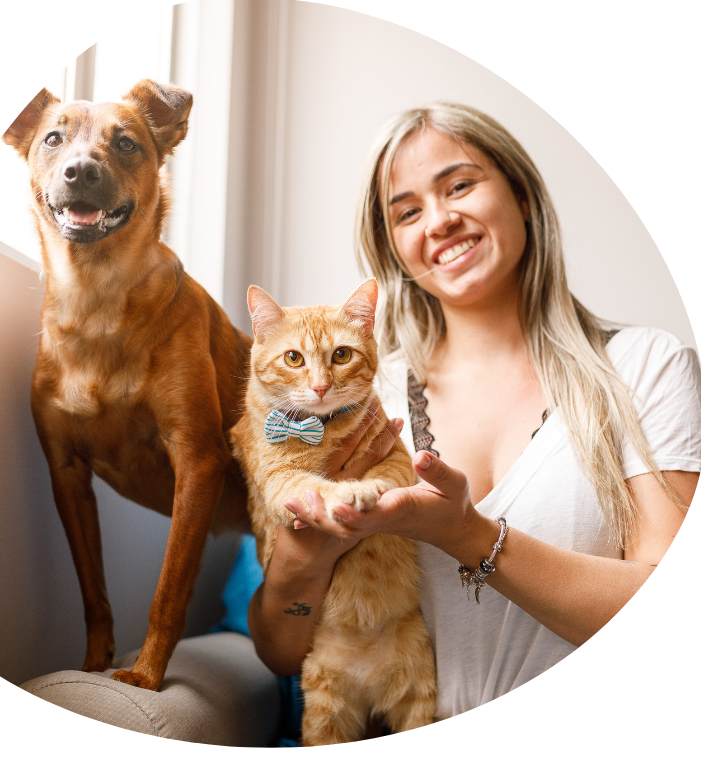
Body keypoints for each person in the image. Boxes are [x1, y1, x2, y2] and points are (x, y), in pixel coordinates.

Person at [246, 102, 700, 723]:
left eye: (459, 185)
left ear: (521, 193)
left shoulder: (646, 366)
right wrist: (307, 553)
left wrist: (468, 535)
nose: (438, 220)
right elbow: (279, 652)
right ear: (393, 248)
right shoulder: (358, 393)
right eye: (407, 212)